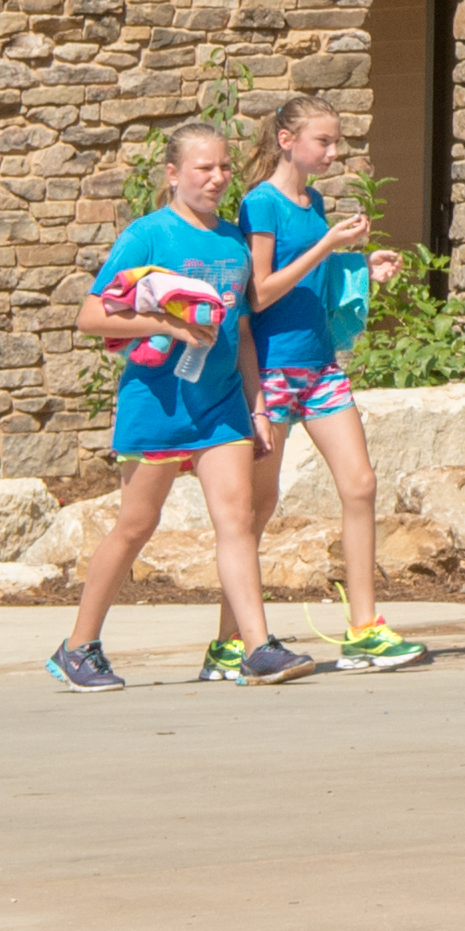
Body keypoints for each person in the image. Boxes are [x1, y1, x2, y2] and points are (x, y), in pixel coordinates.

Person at [48, 119, 312, 692]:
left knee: (237, 519)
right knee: (136, 524)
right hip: (157, 403)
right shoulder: (147, 235)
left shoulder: (234, 242)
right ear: (172, 174)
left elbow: (243, 333)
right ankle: (78, 647)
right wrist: (166, 324)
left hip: (221, 404)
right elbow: (91, 316)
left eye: (224, 167)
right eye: (204, 168)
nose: (217, 178)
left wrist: (259, 407)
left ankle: (256, 647)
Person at [232, 94, 421, 671]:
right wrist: (328, 246)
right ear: (287, 140)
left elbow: (311, 278)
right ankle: (232, 639)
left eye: (337, 141)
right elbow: (259, 292)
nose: (334, 152)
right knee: (255, 508)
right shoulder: (260, 205)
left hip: (320, 367)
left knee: (360, 484)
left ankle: (364, 628)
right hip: (271, 372)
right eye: (324, 141)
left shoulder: (311, 202)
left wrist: (360, 266)